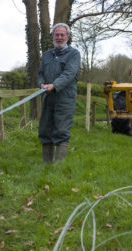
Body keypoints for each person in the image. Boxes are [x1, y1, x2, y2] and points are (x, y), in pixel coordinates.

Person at [37, 23, 81, 164]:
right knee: (45, 130)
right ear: (53, 36)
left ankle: (59, 167)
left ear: (67, 36)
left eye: (62, 34)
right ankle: (47, 165)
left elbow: (69, 74)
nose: (59, 37)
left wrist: (54, 85)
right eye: (57, 34)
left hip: (65, 99)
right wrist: (42, 84)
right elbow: (40, 74)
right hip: (48, 98)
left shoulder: (74, 54)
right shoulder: (46, 55)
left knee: (61, 131)